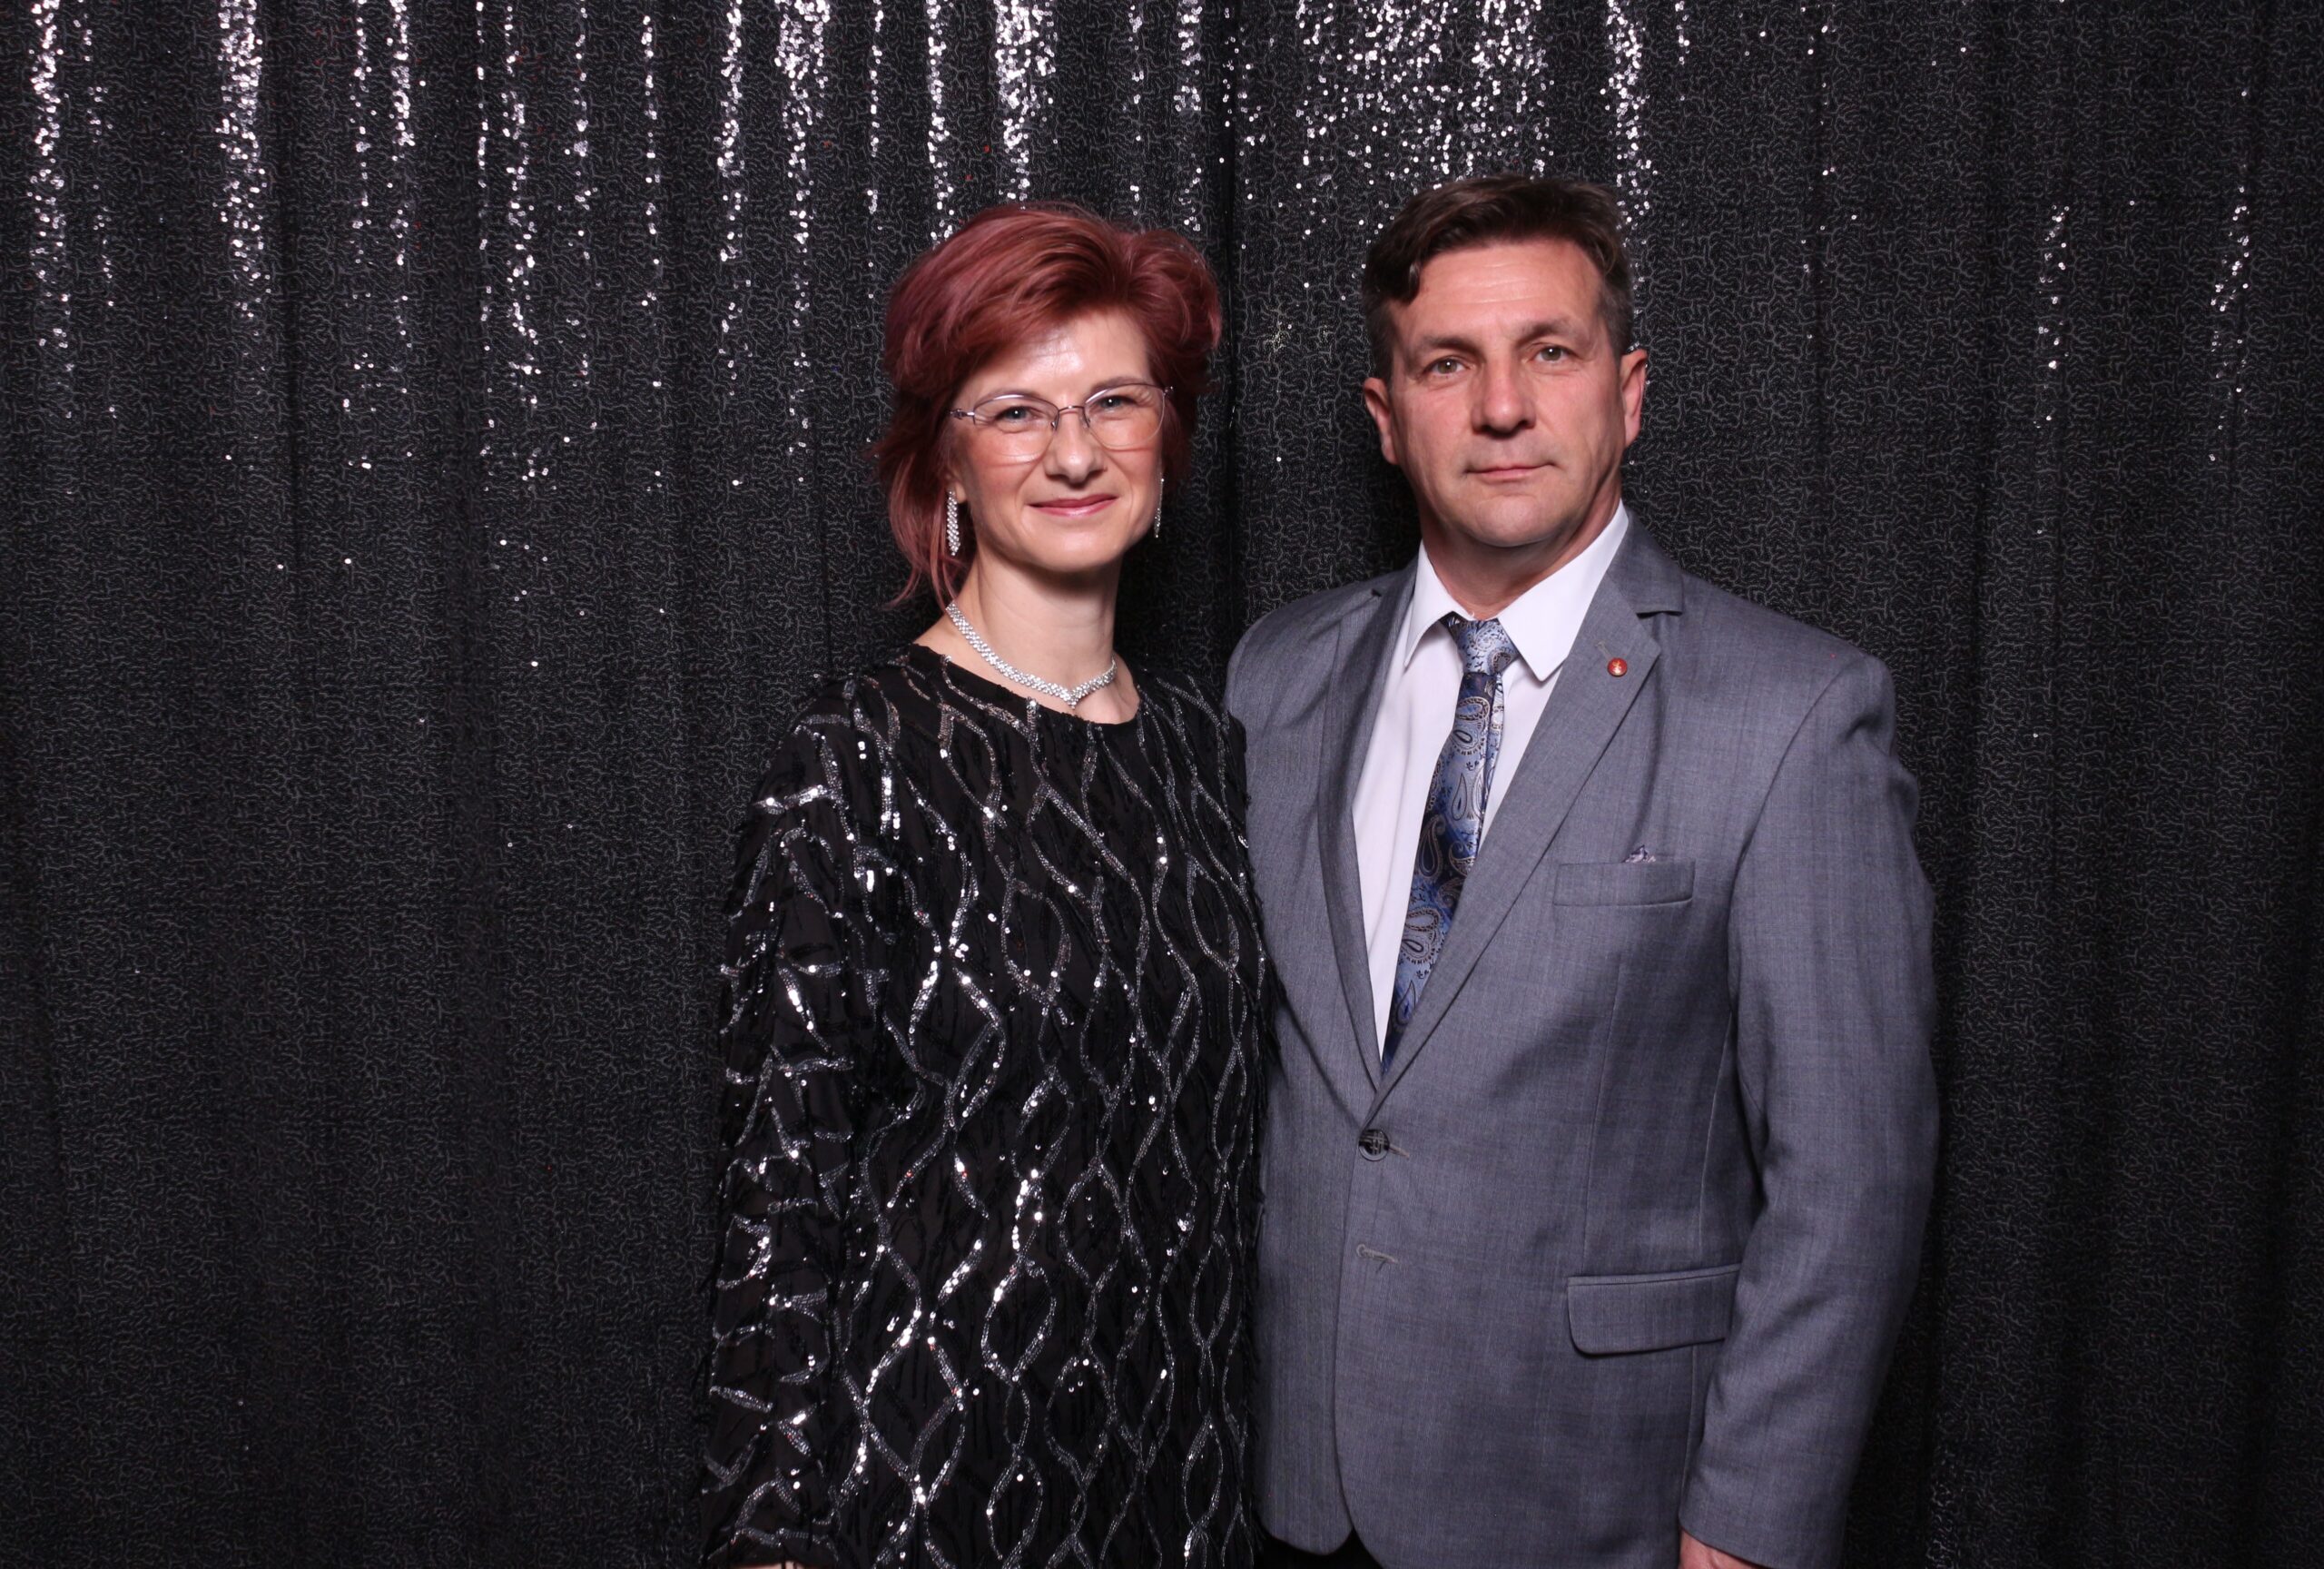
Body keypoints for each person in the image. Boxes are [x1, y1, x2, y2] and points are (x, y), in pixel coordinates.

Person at [1226, 173, 1939, 1569]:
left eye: (1549, 352)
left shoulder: (1791, 715)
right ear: (1386, 415)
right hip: (1299, 1495)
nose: (1502, 407)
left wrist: (1748, 1525)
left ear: (1629, 391)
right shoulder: (1277, 677)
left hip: (1607, 1508)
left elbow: (1852, 1178)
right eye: (1448, 364)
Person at [702, 203, 1267, 1569]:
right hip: (934, 1473)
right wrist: (769, 1536)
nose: (1074, 452)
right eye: (1016, 412)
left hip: (1176, 1472)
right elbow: (779, 1193)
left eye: (1115, 401)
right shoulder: (856, 758)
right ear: (946, 458)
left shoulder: (1208, 751)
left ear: (1166, 442)